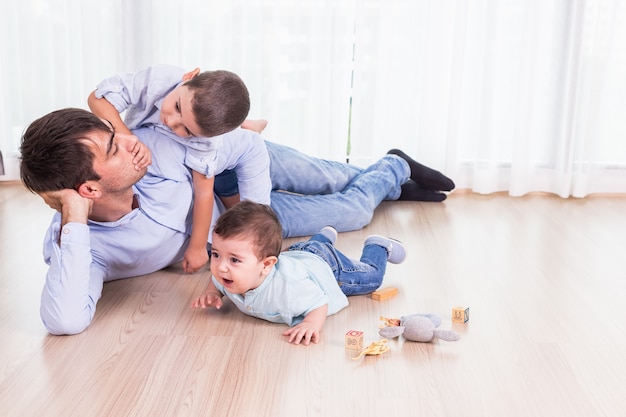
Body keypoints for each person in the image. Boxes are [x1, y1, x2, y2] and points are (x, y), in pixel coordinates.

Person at [19, 108, 449, 335]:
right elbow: (64, 321)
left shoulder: (149, 149)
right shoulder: (81, 246)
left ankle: (390, 172)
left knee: (335, 177)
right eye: (112, 148)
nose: (128, 142)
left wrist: (254, 220)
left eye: (116, 135)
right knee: (353, 210)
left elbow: (245, 145)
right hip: (231, 232)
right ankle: (394, 169)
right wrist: (74, 217)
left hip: (239, 174)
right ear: (88, 191)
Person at [88, 64, 270, 273]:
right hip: (159, 145)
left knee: (255, 221)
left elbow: (203, 193)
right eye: (177, 107)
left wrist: (198, 247)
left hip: (218, 157)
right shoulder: (159, 80)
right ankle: (246, 126)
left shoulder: (206, 142)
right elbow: (97, 99)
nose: (171, 121)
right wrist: (130, 139)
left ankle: (248, 131)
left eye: (186, 129)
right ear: (189, 77)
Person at [191, 200, 405, 346]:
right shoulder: (227, 275)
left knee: (372, 278)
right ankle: (322, 238)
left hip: (327, 267)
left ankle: (377, 246)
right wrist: (213, 293)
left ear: (266, 265)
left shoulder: (290, 288)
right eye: (216, 254)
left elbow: (319, 301)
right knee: (311, 247)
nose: (220, 267)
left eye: (234, 259)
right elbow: (215, 280)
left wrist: (311, 324)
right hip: (297, 255)